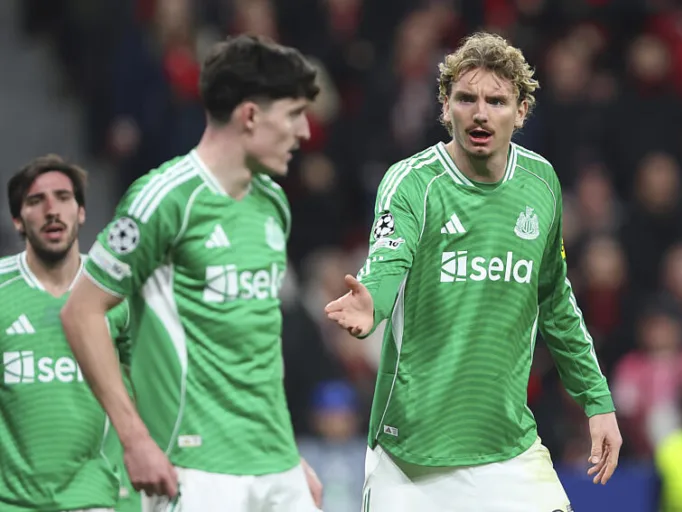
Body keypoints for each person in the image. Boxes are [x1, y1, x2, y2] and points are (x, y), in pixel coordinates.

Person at [325, 32, 623, 511]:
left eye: (496, 101)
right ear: (445, 107)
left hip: (508, 449)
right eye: (466, 98)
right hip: (412, 458)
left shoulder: (541, 183)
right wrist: (372, 303)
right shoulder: (414, 183)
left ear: (521, 111)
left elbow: (555, 301)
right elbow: (387, 260)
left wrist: (597, 399)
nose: (480, 113)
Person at [60, 35, 323, 512]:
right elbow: (81, 312)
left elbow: (257, 345)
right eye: (293, 114)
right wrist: (134, 438)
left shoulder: (273, 204)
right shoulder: (164, 199)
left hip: (276, 464)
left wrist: (287, 453)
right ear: (249, 115)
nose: (304, 131)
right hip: (196, 467)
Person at [0, 154, 137, 511]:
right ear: (17, 220)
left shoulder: (117, 291)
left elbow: (148, 385)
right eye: (36, 201)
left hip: (92, 498)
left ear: (81, 212)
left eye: (63, 197)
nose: (52, 210)